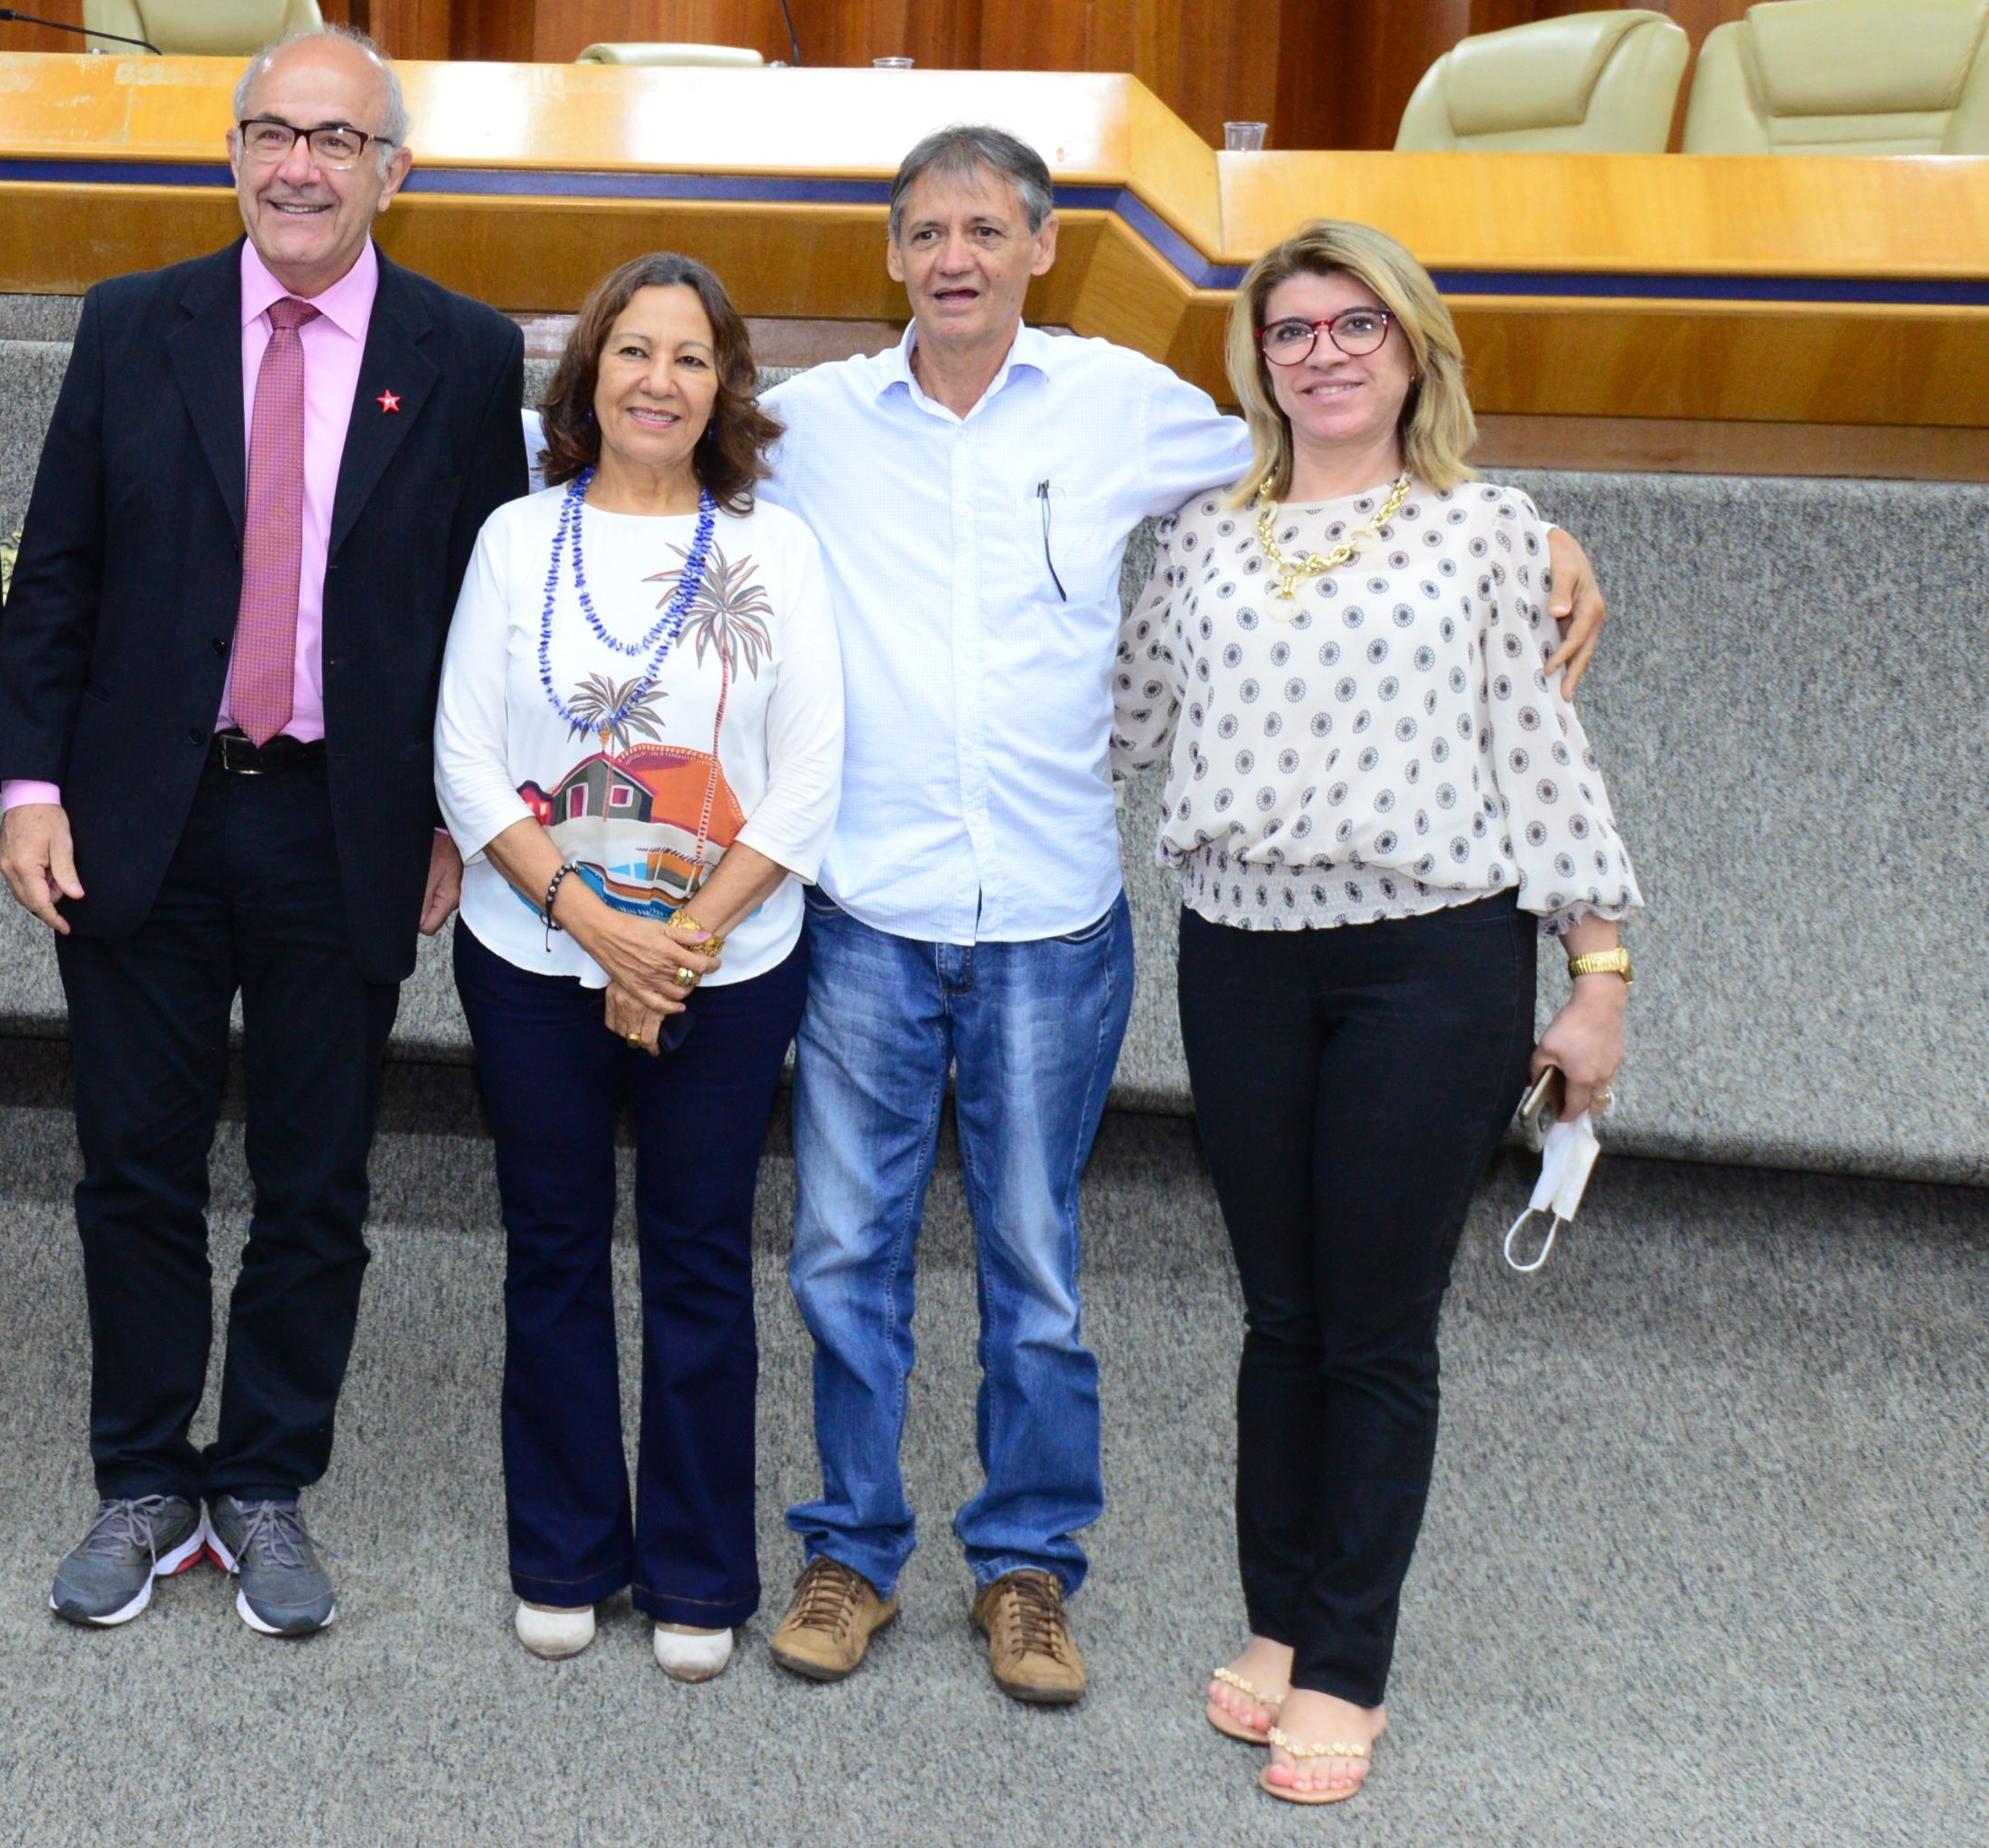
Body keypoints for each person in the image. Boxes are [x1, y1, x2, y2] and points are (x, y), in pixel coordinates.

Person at [752, 126, 1609, 1705]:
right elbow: (640, 445)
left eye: (987, 229)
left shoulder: (1126, 406)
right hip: (872, 908)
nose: (955, 256)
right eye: (927, 230)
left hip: (1054, 917)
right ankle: (850, 1551)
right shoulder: (813, 424)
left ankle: (1027, 1567)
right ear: (892, 254)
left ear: (1042, 246)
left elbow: (1338, 449)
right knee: (842, 1254)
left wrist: (1534, 533)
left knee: (1036, 1267)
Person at [0, 27, 528, 1638]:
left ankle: (268, 1478)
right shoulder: (130, 322)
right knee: (134, 1168)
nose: (299, 166)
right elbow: (58, 573)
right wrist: (27, 789)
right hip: (140, 822)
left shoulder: (463, 351)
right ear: (233, 154)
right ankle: (144, 1476)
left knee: (316, 1180)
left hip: (342, 824)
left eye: (335, 139)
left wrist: (460, 815)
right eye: (272, 134)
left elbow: (480, 614)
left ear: (393, 171)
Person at [1110, 220, 1635, 1806]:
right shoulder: (1201, 537)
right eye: (1293, 330)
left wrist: (1598, 974)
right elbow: (1115, 723)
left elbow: (1542, 758)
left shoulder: (1491, 532)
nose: (1323, 353)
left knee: (1380, 1323)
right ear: (1258, 361)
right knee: (1281, 1314)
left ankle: (1346, 1661)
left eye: (1357, 326)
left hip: (1432, 963)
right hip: (1239, 953)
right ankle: (1279, 1620)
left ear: (1414, 351)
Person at [435, 255, 842, 1682]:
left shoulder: (777, 550)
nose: (658, 380)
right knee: (551, 1249)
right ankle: (561, 1552)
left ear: (726, 387)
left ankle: (696, 1568)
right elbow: (465, 757)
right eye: (631, 350)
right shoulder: (514, 537)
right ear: (588, 373)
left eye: (690, 357)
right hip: (530, 953)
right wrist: (597, 923)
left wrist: (676, 944)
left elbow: (808, 777)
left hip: (727, 967)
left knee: (699, 1257)